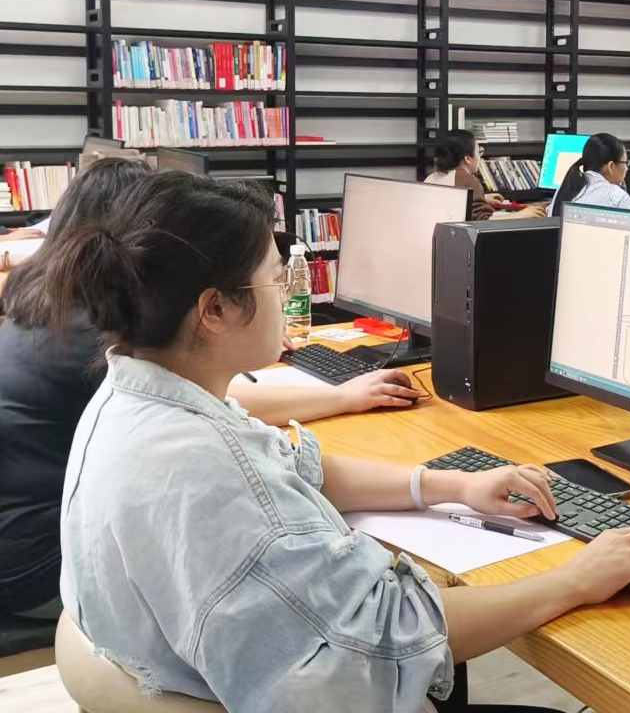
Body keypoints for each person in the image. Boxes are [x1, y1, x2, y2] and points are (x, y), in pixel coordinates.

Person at [51, 171, 630, 713]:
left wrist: (454, 486)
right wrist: (574, 580)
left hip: (190, 710)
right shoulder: (207, 468)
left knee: (452, 673)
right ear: (214, 311)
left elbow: (298, 469)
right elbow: (388, 638)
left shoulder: (138, 397)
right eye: (275, 280)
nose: (288, 294)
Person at [0, 160, 423, 619]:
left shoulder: (52, 302)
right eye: (275, 279)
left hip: (40, 532)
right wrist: (343, 396)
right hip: (39, 566)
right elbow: (368, 628)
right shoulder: (99, 343)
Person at [424, 130, 545, 221]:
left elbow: (447, 203)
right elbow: (482, 222)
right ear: (467, 158)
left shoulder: (432, 177)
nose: (480, 157)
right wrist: (522, 214)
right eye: (478, 152)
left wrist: (481, 198)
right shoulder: (468, 180)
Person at [549, 132, 630, 217]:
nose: (627, 168)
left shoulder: (566, 187)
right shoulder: (616, 196)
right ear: (611, 166)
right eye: (625, 163)